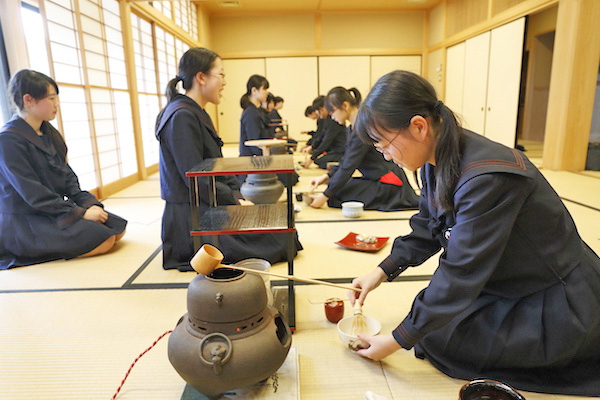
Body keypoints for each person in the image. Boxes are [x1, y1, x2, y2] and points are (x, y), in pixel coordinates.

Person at [349, 70, 600, 396]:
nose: (383, 154)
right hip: (503, 279)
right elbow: (427, 226)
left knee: (444, 341)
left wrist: (396, 340)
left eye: (383, 143)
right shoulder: (435, 158)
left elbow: (460, 271)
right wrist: (381, 271)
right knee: (433, 330)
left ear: (419, 127)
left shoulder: (487, 177)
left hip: (555, 296)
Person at [155, 48, 301, 270]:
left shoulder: (193, 111)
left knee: (284, 228)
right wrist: (235, 201)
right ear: (201, 77)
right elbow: (196, 180)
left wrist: (237, 194)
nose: (224, 82)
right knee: (281, 238)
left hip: (208, 204)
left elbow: (216, 166)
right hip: (193, 218)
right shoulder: (181, 116)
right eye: (221, 75)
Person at [0, 70, 127, 269]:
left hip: (50, 210)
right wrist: (79, 213)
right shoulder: (8, 140)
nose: (56, 104)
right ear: (28, 100)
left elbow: (67, 176)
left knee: (117, 227)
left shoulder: (48, 132)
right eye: (51, 98)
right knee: (105, 239)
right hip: (26, 221)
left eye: (56, 98)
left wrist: (88, 204)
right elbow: (32, 193)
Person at [308, 86, 419, 211]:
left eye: (332, 112)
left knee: (336, 195)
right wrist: (327, 176)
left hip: (388, 183)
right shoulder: (353, 127)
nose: (331, 116)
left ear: (345, 105)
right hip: (376, 178)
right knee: (337, 189)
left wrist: (325, 195)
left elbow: (349, 165)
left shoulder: (363, 128)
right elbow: (346, 160)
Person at [302, 95, 346, 169]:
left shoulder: (334, 120)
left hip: (341, 151)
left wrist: (312, 157)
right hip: (334, 150)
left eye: (318, 111)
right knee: (318, 161)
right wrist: (312, 147)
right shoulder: (327, 119)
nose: (317, 113)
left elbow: (326, 141)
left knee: (320, 161)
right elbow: (322, 136)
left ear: (323, 108)